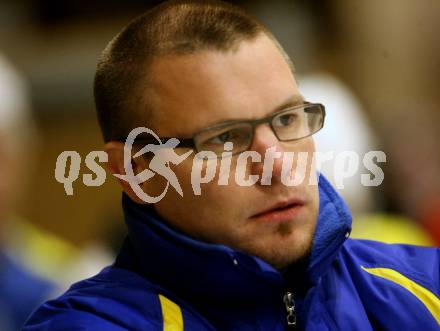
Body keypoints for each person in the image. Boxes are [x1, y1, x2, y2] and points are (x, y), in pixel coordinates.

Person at [24, 1, 440, 330]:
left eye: (287, 119)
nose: (276, 165)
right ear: (138, 172)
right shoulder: (88, 325)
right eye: (224, 138)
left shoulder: (422, 287)